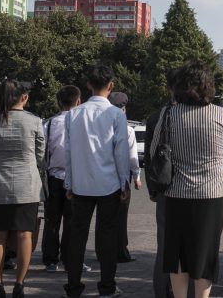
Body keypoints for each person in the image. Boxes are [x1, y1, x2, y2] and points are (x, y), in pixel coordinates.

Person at [155, 60, 223, 298]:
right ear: (208, 86)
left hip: (176, 193)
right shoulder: (222, 114)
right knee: (205, 254)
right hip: (211, 195)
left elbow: (154, 153)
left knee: (178, 254)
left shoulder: (168, 114)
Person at [62, 64, 131, 298]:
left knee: (76, 236)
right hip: (109, 184)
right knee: (107, 237)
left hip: (81, 184)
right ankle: (107, 287)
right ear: (110, 87)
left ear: (88, 85)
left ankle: (73, 287)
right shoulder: (115, 114)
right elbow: (121, 153)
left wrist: (69, 182)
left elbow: (68, 153)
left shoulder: (73, 115)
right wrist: (124, 183)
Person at [0, 80, 45, 298]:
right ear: (23, 97)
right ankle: (20, 284)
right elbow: (40, 155)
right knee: (25, 235)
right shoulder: (34, 121)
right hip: (28, 185)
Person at [41, 86, 92, 274]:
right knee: (74, 222)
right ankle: (71, 259)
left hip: (53, 177)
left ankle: (50, 260)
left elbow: (42, 153)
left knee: (52, 221)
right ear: (78, 101)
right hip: (77, 178)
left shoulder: (49, 123)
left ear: (58, 102)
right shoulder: (83, 123)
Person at [144, 69, 179, 298]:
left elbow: (149, 157)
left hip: (164, 187)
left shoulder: (157, 116)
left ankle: (161, 290)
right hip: (191, 189)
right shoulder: (196, 113)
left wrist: (153, 189)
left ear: (168, 88)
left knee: (164, 243)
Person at [107, 92, 141, 264]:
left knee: (105, 217)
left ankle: (103, 251)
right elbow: (132, 156)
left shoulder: (101, 126)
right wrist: (137, 177)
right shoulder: (127, 129)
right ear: (124, 108)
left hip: (103, 175)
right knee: (121, 216)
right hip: (122, 176)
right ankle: (121, 251)